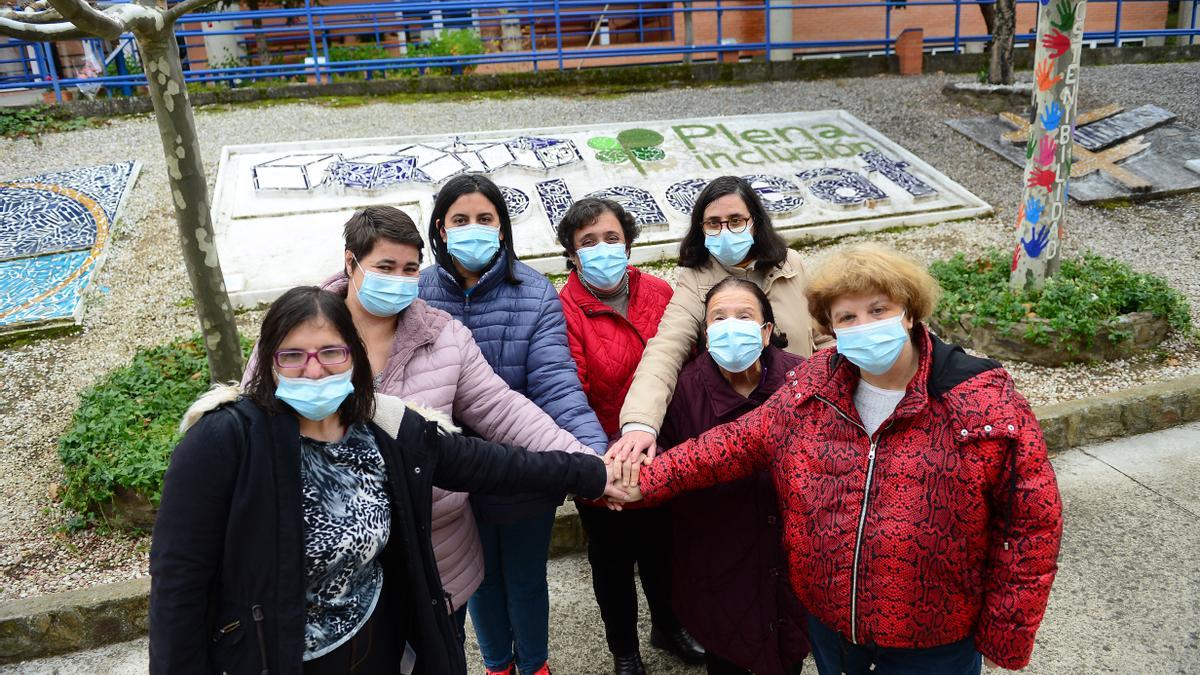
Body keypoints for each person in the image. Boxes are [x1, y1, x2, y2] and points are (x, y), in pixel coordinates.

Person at [618, 243, 1064, 675]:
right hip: (833, 632)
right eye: (847, 316)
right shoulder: (813, 387)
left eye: (878, 309)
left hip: (931, 642)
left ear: (909, 313)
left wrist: (1006, 633)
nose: (863, 324)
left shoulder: (979, 402)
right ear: (830, 327)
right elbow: (729, 446)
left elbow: (1030, 524)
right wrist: (636, 480)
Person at [150, 286, 626, 675]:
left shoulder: (385, 425)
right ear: (270, 363)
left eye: (330, 353)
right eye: (293, 356)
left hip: (376, 649)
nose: (314, 370)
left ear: (355, 357)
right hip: (273, 659)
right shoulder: (225, 441)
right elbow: (178, 586)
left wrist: (592, 473)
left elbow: (490, 464)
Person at [309, 205, 606, 642]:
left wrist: (589, 465)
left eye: (410, 268)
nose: (399, 278)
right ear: (351, 262)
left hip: (438, 556)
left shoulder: (442, 335)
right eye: (385, 266)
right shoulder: (301, 334)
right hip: (336, 569)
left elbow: (503, 410)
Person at [419, 174, 608, 675]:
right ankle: (498, 664)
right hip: (451, 476)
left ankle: (535, 664)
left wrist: (595, 458)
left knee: (526, 579)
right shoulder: (415, 296)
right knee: (475, 580)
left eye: (486, 219)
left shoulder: (534, 292)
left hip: (526, 466)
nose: (474, 229)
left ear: (502, 229)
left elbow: (557, 386)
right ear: (441, 228)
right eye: (461, 220)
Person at [555, 197, 704, 674]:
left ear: (629, 244)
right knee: (612, 562)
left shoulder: (659, 292)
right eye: (588, 242)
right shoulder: (564, 310)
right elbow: (567, 390)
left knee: (665, 549)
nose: (602, 249)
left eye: (612, 238)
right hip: (602, 459)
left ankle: (670, 625)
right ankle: (625, 651)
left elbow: (689, 366)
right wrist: (601, 466)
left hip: (664, 454)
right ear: (573, 255)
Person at [608, 175, 825, 481]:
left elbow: (825, 337)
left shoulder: (792, 265)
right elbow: (667, 348)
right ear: (701, 228)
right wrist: (640, 422)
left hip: (802, 416)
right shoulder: (695, 278)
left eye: (736, 220)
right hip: (732, 423)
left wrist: (833, 400)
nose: (725, 231)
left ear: (755, 221)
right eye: (713, 223)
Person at [656, 277, 808, 675]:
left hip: (788, 558)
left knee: (787, 651)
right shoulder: (682, 389)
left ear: (767, 330)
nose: (731, 325)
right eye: (718, 317)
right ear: (706, 334)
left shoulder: (803, 381)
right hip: (715, 556)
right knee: (726, 654)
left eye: (744, 316)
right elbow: (655, 460)